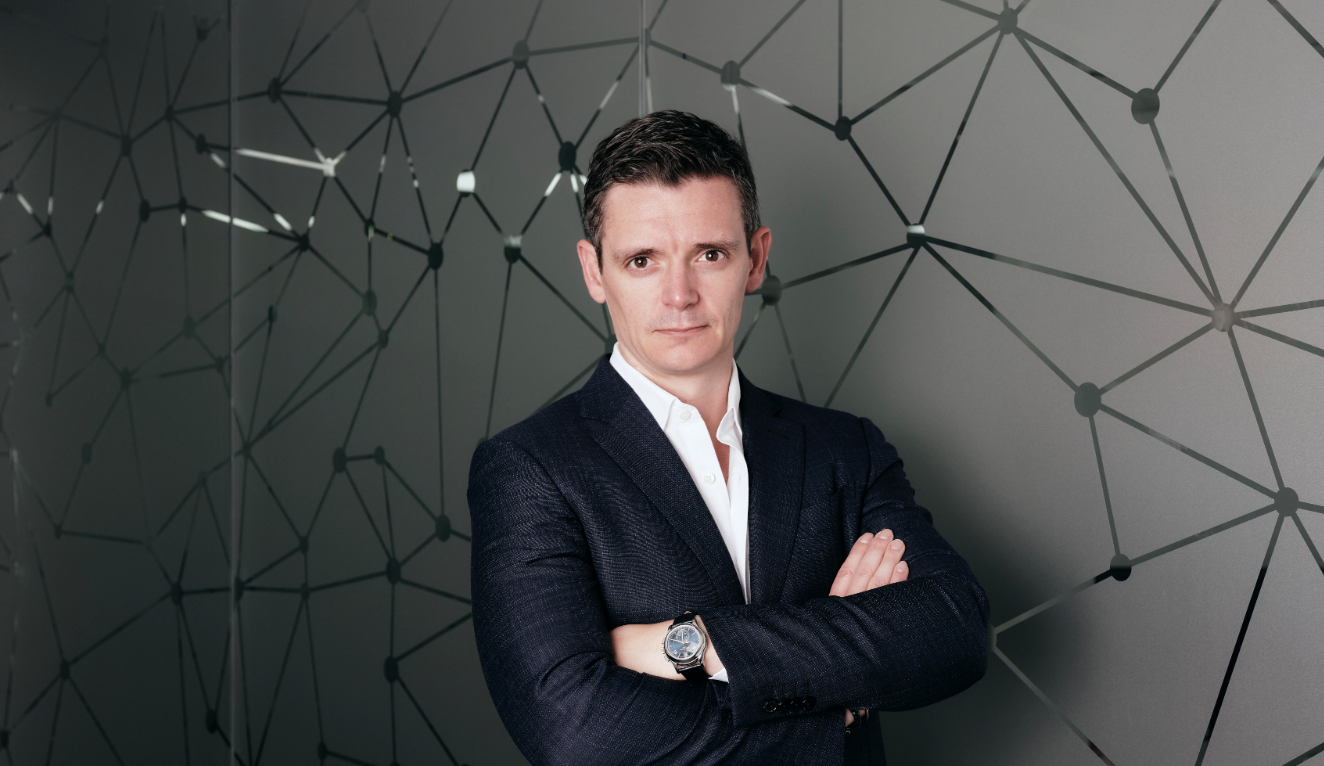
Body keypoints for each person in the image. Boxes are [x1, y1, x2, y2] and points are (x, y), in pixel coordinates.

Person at [468, 110, 988, 765]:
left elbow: (956, 628)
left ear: (756, 258)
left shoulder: (845, 449)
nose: (679, 295)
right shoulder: (528, 468)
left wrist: (696, 644)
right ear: (594, 272)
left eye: (708, 254)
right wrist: (839, 700)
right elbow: (576, 735)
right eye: (641, 260)